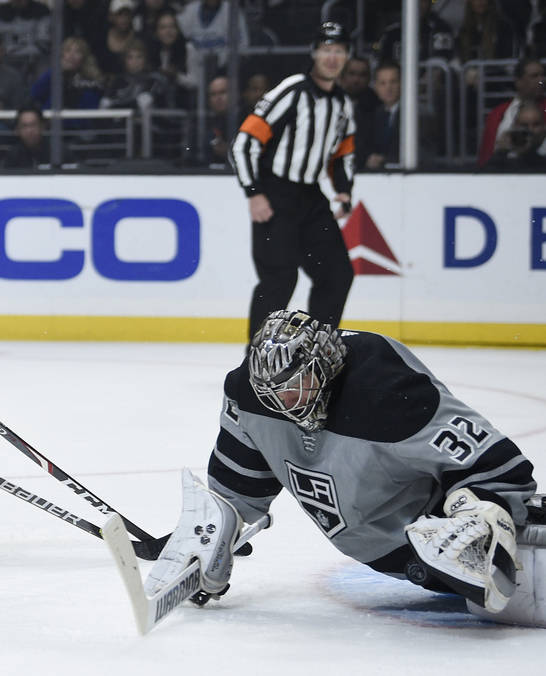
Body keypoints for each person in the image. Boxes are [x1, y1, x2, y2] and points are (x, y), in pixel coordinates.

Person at [144, 309, 546, 628]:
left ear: (324, 365)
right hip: (385, 552)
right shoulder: (247, 397)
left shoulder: (386, 389)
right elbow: (237, 491)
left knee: (494, 548)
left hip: (433, 522)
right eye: (271, 391)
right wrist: (208, 540)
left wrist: (480, 516)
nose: (283, 403)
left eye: (293, 385)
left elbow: (501, 469)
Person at [229, 22, 356, 341]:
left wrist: (343, 192)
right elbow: (244, 142)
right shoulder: (292, 91)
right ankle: (256, 362)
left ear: (347, 56)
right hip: (276, 193)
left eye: (338, 51)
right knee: (279, 279)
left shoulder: (342, 104)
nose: (332, 57)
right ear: (314, 53)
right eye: (326, 50)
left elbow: (342, 153)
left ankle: (318, 349)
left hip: (311, 198)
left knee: (337, 274)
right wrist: (254, 192)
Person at [477, 57, 546, 167]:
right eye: (534, 76)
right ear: (518, 81)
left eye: (543, 75)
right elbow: (485, 157)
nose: (542, 80)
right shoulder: (498, 114)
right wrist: (501, 150)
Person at [359, 60, 401, 170]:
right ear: (376, 87)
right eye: (383, 83)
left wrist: (384, 160)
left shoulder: (416, 114)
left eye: (393, 82)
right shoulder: (375, 115)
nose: (388, 88)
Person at [483, 101, 546, 171]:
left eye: (536, 125)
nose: (530, 130)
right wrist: (501, 152)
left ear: (544, 128)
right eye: (524, 125)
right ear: (515, 127)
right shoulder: (501, 162)